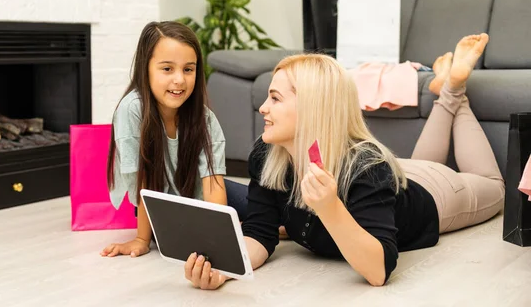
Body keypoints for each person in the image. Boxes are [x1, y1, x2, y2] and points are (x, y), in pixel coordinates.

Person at [183, 33, 505, 289]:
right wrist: (226, 269)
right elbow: (259, 233)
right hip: (395, 178)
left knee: (494, 186)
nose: (263, 108)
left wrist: (329, 207)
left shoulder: (369, 168)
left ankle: (453, 91)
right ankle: (446, 90)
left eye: (275, 99)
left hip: (438, 192)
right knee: (414, 163)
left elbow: (378, 272)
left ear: (312, 107)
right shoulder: (268, 156)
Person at [100, 21, 247, 258]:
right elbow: (143, 181)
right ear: (145, 68)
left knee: (269, 209)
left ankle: (265, 226)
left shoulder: (205, 118)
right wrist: (141, 239)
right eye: (167, 69)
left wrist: (218, 237)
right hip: (161, 207)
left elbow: (213, 183)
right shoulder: (132, 110)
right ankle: (251, 227)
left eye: (188, 69)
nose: (179, 80)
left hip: (200, 195)